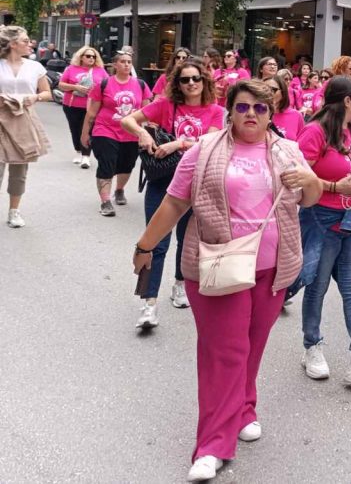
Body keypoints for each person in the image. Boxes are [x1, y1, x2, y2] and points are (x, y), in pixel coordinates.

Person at [131, 79, 322, 482]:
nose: (251, 114)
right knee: (225, 352)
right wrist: (146, 244)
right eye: (242, 107)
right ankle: (212, 445)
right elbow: (175, 202)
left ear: (272, 113)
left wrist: (310, 183)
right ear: (229, 111)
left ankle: (245, 407)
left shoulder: (288, 150)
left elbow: (310, 198)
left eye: (260, 108)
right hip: (218, 266)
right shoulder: (203, 151)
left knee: (251, 345)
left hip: (273, 268)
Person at [295, 77, 351, 384]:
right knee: (317, 288)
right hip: (321, 220)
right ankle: (312, 346)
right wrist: (335, 185)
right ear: (346, 100)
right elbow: (298, 178)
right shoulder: (314, 131)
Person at [121, 57, 225, 328]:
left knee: (187, 240)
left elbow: (210, 143)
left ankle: (179, 283)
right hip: (164, 179)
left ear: (205, 81)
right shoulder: (166, 105)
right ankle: (149, 302)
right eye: (184, 79)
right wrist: (142, 134)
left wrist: (177, 143)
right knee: (156, 241)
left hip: (197, 183)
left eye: (196, 78)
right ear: (177, 83)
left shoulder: (215, 110)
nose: (191, 83)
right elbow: (128, 120)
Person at [82, 50, 152, 216]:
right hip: (105, 130)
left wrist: (145, 133)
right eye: (122, 61)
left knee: (127, 165)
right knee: (107, 164)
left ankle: (119, 189)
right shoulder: (104, 84)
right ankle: (105, 201)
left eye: (129, 61)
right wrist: (84, 134)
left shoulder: (140, 84)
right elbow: (92, 112)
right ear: (115, 65)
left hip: (131, 133)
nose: (126, 64)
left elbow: (147, 111)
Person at [0, 25, 51, 228]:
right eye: (25, 40)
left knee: (20, 169)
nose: (30, 44)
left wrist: (35, 97)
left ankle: (14, 211)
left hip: (23, 118)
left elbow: (47, 92)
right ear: (13, 44)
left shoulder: (35, 67)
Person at [58, 45, 107, 169]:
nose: (91, 58)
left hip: (92, 106)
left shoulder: (100, 70)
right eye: (88, 56)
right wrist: (76, 87)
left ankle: (86, 156)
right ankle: (78, 151)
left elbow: (107, 85)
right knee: (75, 129)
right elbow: (61, 85)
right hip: (72, 104)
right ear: (81, 57)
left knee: (88, 129)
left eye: (94, 56)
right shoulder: (71, 69)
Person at [264, 73, 304, 140]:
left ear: (283, 92)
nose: (267, 93)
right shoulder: (256, 114)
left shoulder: (296, 116)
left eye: (272, 89)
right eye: (264, 89)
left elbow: (302, 145)